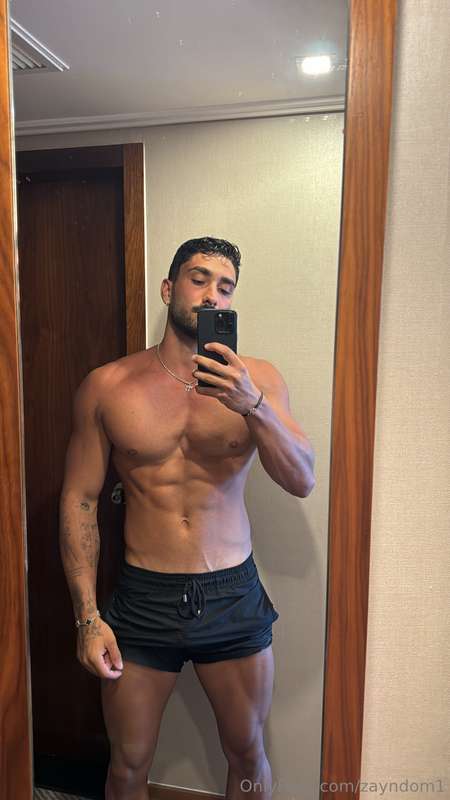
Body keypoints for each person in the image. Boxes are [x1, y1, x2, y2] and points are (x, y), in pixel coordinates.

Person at [59, 236, 315, 800]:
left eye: (225, 287)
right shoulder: (108, 386)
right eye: (199, 279)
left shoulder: (260, 380)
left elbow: (302, 479)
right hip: (144, 595)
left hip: (231, 593)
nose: (212, 295)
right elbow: (80, 501)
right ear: (168, 288)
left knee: (246, 750)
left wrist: (252, 405)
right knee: (128, 762)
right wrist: (87, 617)